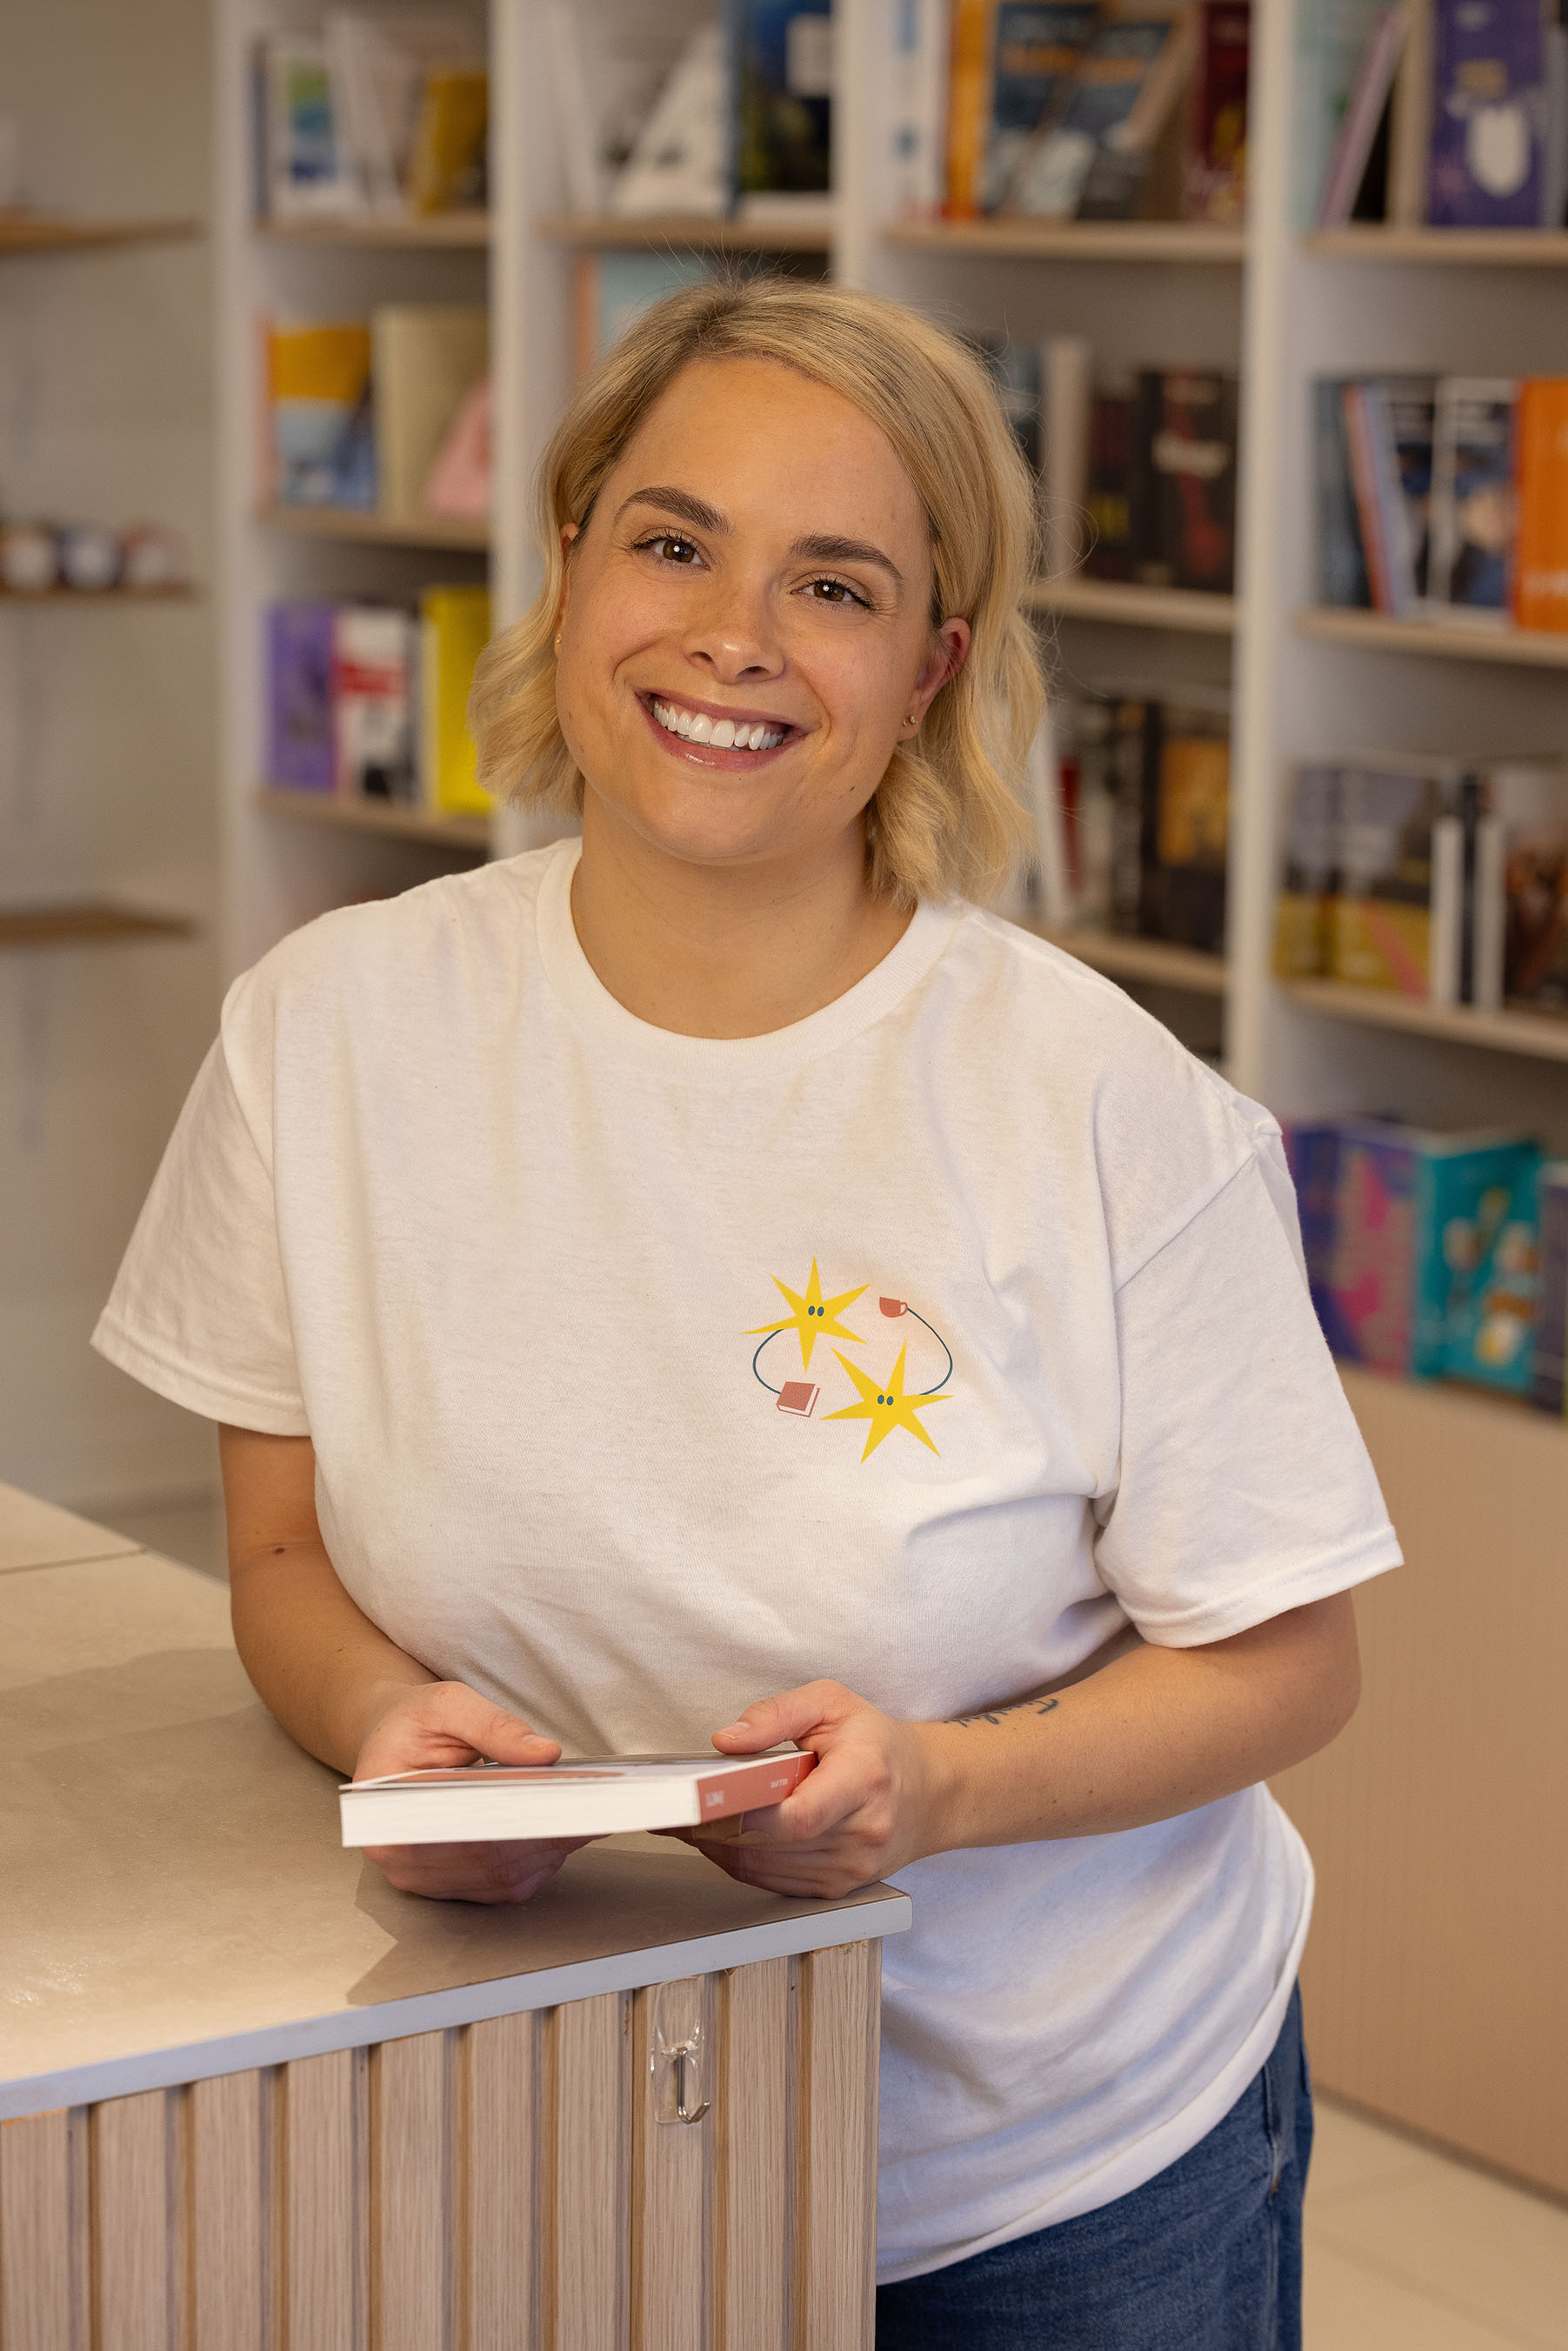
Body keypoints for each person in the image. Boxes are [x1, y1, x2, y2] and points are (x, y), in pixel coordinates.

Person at [94, 278, 1399, 2348]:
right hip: (564, 2100)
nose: (732, 635)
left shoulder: (1098, 1102)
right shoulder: (329, 1029)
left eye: (835, 583)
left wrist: (939, 1787)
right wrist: (377, 1723)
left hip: (1039, 2162)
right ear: (572, 560)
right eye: (674, 539)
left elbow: (1285, 1658)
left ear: (927, 671)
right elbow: (277, 1547)